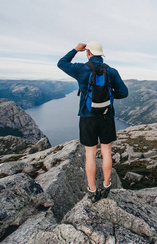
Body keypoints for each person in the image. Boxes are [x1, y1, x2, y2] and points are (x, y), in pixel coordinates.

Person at [57, 41, 128, 202]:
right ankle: (107, 184)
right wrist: (108, 94)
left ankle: (92, 189)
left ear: (88, 53)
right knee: (106, 151)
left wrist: (76, 49)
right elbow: (124, 92)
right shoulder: (112, 71)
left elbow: (61, 63)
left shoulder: (80, 69)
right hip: (106, 116)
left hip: (87, 117)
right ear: (101, 55)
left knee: (90, 154)